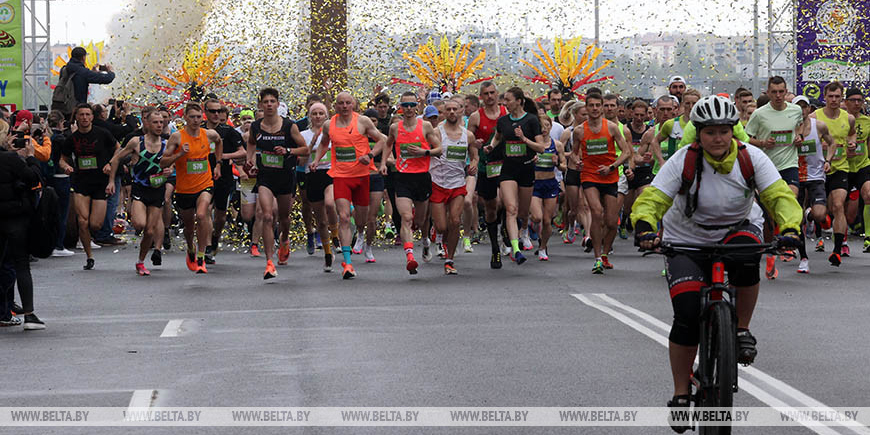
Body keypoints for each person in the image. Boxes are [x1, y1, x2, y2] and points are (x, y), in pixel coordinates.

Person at [631, 95, 801, 429]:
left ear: (734, 131)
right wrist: (645, 226)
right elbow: (653, 198)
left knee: (749, 257)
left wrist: (792, 228)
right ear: (699, 133)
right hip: (686, 239)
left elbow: (779, 196)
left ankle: (740, 330)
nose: (718, 138)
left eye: (724, 130)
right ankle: (681, 392)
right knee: (686, 314)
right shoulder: (684, 160)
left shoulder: (751, 158)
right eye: (710, 132)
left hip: (737, 229)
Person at [311, 92, 386, 279]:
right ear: (335, 106)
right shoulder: (329, 125)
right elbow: (324, 144)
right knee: (343, 218)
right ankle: (348, 263)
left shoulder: (363, 122)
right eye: (340, 103)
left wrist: (369, 156)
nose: (344, 106)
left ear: (353, 105)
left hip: (362, 176)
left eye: (348, 103)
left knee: (361, 220)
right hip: (341, 176)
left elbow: (382, 141)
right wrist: (316, 160)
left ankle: (360, 233)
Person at [744, 76, 804, 279]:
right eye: (774, 92)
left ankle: (789, 237)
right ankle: (771, 253)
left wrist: (799, 137)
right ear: (768, 93)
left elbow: (801, 126)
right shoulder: (760, 114)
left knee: (790, 196)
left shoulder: (795, 110)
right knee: (769, 213)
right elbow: (746, 139)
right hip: (766, 166)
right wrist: (762, 142)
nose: (778, 96)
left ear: (786, 92)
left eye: (782, 91)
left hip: (789, 164)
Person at [244, 88, 309, 279]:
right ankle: (269, 262)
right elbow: (251, 144)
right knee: (266, 215)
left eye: (273, 101)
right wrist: (250, 161)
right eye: (266, 102)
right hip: (265, 177)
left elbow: (305, 149)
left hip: (285, 176)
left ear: (278, 104)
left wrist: (288, 151)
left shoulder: (289, 126)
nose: (269, 105)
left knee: (284, 218)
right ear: (261, 105)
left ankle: (285, 240)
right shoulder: (256, 127)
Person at [106, 107, 171, 276]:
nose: (159, 125)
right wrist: (112, 180)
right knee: (140, 224)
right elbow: (117, 158)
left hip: (157, 189)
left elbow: (172, 163)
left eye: (161, 122)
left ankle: (141, 262)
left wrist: (169, 170)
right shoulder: (136, 142)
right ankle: (142, 258)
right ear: (147, 123)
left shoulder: (166, 144)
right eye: (155, 122)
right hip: (140, 188)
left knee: (150, 230)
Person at [572, 92, 632, 273]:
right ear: (586, 107)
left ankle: (605, 254)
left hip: (610, 176)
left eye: (598, 105)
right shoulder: (580, 131)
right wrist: (577, 161)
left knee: (612, 222)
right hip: (590, 175)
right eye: (591, 105)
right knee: (596, 212)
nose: (595, 109)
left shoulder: (612, 128)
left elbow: (626, 152)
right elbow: (574, 152)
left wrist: (612, 167)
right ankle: (597, 257)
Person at [485, 87, 545, 265]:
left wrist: (524, 139)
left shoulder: (532, 120)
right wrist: (491, 146)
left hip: (526, 170)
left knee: (523, 213)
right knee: (510, 208)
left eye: (508, 100)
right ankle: (516, 249)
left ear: (519, 101)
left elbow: (541, 147)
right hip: (508, 170)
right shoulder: (503, 121)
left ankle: (522, 232)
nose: (505, 103)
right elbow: (497, 137)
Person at [383, 91, 443, 274]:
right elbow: (388, 144)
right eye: (405, 106)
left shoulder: (424, 126)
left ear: (417, 106)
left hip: (422, 176)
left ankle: (425, 241)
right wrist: (385, 162)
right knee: (406, 218)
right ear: (400, 108)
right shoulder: (395, 127)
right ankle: (410, 256)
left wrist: (423, 153)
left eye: (411, 105)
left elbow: (439, 149)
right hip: (402, 176)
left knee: (421, 219)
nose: (408, 109)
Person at [160, 103, 223, 274]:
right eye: (192, 117)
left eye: (198, 117)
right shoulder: (177, 138)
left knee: (202, 215)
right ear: (185, 118)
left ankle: (202, 257)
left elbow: (219, 142)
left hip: (205, 183)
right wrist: (179, 154)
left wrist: (217, 164)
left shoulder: (209, 134)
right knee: (189, 227)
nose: (196, 120)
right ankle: (191, 249)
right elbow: (163, 162)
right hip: (184, 189)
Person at [59, 103, 119, 270]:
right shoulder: (71, 138)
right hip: (81, 182)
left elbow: (118, 150)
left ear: (92, 117)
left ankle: (90, 240)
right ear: (76, 117)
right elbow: (62, 158)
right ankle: (89, 256)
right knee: (82, 221)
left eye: (87, 114)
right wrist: (66, 166)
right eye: (81, 115)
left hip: (100, 182)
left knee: (95, 225)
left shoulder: (103, 134)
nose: (84, 118)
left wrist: (110, 163)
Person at [0, 122, 45, 330]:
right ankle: (29, 314)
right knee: (20, 265)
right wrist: (30, 157)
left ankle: (4, 310)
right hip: (15, 217)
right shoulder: (10, 159)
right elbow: (34, 178)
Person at [811, 81, 856, 266]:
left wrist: (852, 143)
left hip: (841, 167)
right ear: (825, 97)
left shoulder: (848, 117)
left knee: (838, 205)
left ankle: (837, 250)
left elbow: (852, 133)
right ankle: (821, 224)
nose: (834, 100)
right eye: (830, 96)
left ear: (842, 97)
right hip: (820, 169)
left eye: (837, 96)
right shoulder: (815, 117)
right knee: (823, 212)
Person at [429, 99, 477, 274]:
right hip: (437, 182)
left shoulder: (468, 135)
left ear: (461, 111)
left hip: (457, 183)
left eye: (454, 109)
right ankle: (437, 232)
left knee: (455, 221)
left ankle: (449, 260)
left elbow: (474, 155)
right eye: (447, 109)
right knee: (442, 226)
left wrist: (474, 164)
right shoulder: (436, 132)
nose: (451, 112)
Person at [793, 96, 837, 273]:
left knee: (820, 214)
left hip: (816, 175)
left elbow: (832, 142)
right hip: (795, 175)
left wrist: (828, 160)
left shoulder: (819, 125)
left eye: (804, 107)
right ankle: (803, 258)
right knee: (797, 220)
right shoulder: (787, 127)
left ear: (809, 109)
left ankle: (810, 215)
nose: (802, 110)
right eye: (798, 107)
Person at [467, 81, 508, 268]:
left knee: (508, 202)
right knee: (492, 207)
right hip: (487, 166)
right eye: (486, 94)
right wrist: (476, 143)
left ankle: (507, 227)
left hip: (508, 164)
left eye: (492, 92)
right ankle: (495, 249)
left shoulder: (507, 113)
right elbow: (468, 140)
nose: (490, 96)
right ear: (481, 97)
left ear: (497, 94)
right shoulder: (476, 117)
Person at [203, 99, 246, 264]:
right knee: (205, 209)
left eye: (219, 111)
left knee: (220, 217)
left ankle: (214, 238)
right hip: (203, 176)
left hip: (224, 177)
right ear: (205, 112)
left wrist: (223, 157)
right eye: (213, 111)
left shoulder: (228, 131)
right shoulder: (199, 129)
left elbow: (242, 152)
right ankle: (206, 246)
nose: (216, 114)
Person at [304, 102, 339, 271]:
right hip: (312, 175)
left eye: (321, 113)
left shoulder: (334, 132)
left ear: (326, 116)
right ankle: (327, 254)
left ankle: (336, 236)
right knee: (320, 220)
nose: (318, 116)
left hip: (330, 173)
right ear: (310, 116)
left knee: (331, 204)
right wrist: (311, 145)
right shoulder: (303, 134)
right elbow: (301, 161)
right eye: (314, 113)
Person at [530, 116, 566, 261]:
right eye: (540, 127)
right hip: (534, 184)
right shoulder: (532, 145)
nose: (543, 129)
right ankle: (531, 224)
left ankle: (543, 247)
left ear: (551, 127)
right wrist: (531, 162)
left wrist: (557, 163)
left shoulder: (557, 145)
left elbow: (564, 166)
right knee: (537, 217)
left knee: (547, 220)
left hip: (550, 183)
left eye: (546, 126)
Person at [842, 88, 870, 253]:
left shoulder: (867, 121)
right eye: (853, 100)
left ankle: (868, 237)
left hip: (863, 165)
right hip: (843, 166)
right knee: (842, 208)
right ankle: (842, 241)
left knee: (868, 194)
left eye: (860, 100)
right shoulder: (840, 119)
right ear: (846, 102)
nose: (857, 103)